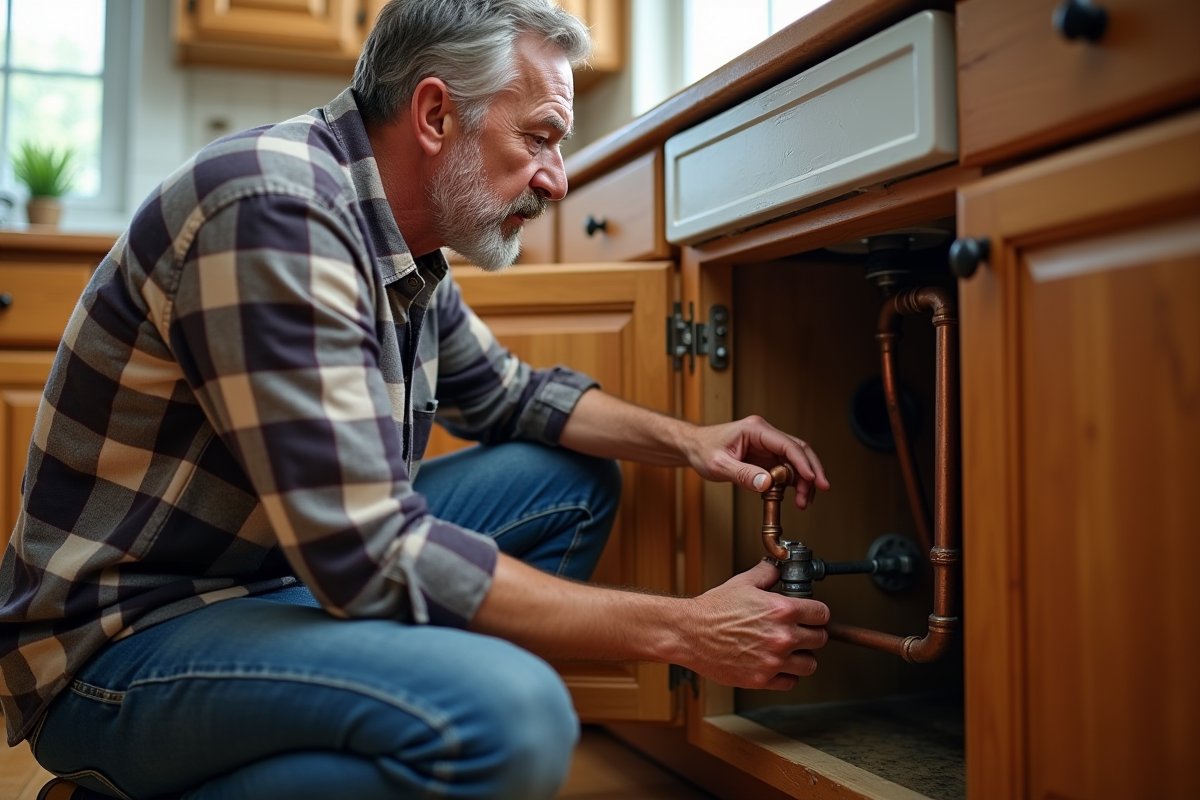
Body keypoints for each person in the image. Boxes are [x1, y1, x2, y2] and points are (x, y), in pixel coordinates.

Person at [0, 1, 831, 798]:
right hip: (123, 648)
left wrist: (692, 441)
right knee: (514, 718)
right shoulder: (273, 212)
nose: (557, 179)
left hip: (278, 578)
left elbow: (513, 397)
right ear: (435, 115)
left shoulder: (398, 240)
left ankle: (387, 711)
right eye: (539, 136)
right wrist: (685, 629)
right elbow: (366, 552)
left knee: (568, 484)